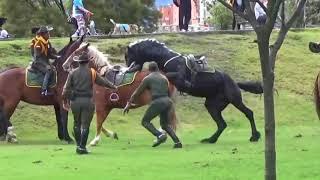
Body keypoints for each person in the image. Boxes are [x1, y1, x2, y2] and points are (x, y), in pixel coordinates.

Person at [62, 52, 117, 155]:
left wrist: (65, 101)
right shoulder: (92, 72)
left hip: (75, 101)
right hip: (88, 101)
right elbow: (103, 82)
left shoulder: (72, 73)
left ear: (79, 62)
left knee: (76, 123)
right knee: (85, 125)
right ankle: (82, 147)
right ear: (87, 62)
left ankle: (78, 146)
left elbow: (65, 90)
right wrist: (113, 86)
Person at [123, 62, 182, 148]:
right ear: (157, 69)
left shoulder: (148, 78)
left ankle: (159, 135)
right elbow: (169, 92)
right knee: (165, 125)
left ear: (149, 70)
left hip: (158, 101)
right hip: (168, 101)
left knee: (145, 121)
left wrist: (128, 104)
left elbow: (137, 93)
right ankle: (177, 143)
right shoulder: (164, 78)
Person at [30, 26, 60, 96]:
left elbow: (49, 55)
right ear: (43, 34)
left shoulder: (47, 42)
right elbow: (38, 57)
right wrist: (46, 65)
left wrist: (57, 57)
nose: (49, 34)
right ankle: (44, 90)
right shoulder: (38, 43)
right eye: (47, 33)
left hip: (45, 62)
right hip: (38, 63)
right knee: (48, 71)